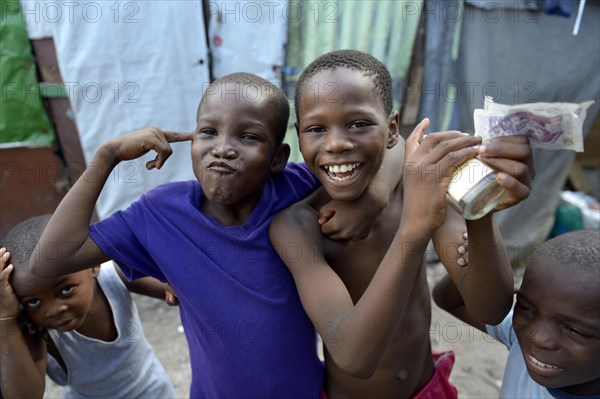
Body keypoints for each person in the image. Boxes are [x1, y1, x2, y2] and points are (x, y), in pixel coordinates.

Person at [28, 72, 404, 399]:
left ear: (278, 157)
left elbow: (399, 145)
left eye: (248, 136)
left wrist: (374, 197)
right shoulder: (159, 213)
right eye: (208, 132)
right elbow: (50, 260)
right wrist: (106, 156)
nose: (223, 149)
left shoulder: (295, 187)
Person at [269, 49, 534, 399]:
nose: (336, 143)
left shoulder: (418, 188)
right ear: (299, 137)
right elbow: (354, 356)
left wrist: (480, 208)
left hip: (429, 389)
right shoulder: (298, 226)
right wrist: (414, 228)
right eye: (316, 129)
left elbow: (492, 307)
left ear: (392, 128)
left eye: (359, 123)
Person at [0, 215, 176, 399]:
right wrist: (6, 317)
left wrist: (171, 286)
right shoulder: (35, 330)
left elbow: (175, 289)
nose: (53, 310)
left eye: (66, 290)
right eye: (33, 301)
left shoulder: (113, 278)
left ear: (92, 266)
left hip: (154, 391)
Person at [434, 229, 600, 398]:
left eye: (575, 330)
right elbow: (452, 302)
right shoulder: (519, 338)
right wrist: (481, 271)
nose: (537, 338)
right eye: (527, 309)